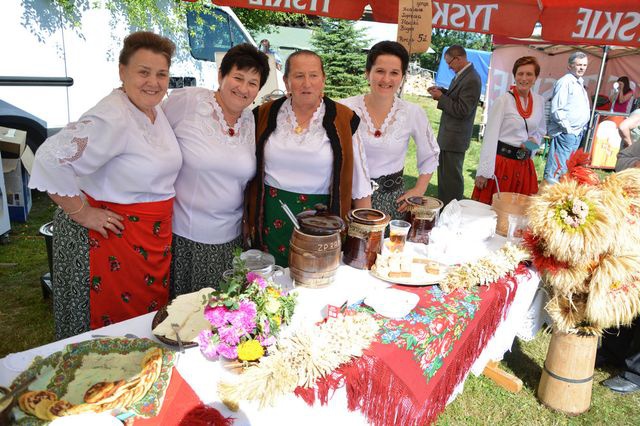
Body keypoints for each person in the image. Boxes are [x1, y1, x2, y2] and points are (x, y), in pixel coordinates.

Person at [28, 32, 182, 338]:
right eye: (143, 72)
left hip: (149, 238)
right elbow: (48, 157)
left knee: (144, 319)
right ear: (122, 71)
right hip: (116, 239)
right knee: (118, 327)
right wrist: (83, 213)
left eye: (161, 74)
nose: (153, 82)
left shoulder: (151, 109)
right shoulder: (113, 115)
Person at [246, 50, 372, 266]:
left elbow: (360, 185)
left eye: (313, 75)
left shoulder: (344, 120)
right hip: (270, 218)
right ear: (286, 81)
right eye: (298, 76)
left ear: (323, 79)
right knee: (270, 290)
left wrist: (365, 241)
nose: (307, 83)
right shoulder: (263, 115)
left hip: (322, 223)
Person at [162, 44, 270, 297]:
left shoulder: (250, 119)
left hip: (230, 241)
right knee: (184, 316)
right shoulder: (188, 101)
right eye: (238, 77)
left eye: (253, 83)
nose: (243, 88)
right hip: (185, 238)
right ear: (221, 75)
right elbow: (149, 130)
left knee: (219, 315)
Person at [341, 41, 439, 221]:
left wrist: (419, 189)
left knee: (386, 248)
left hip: (391, 201)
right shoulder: (345, 108)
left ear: (402, 77)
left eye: (394, 73)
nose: (386, 79)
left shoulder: (412, 112)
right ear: (367, 73)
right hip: (347, 199)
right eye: (379, 71)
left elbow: (430, 153)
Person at [472, 56, 546, 204]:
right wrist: (484, 172)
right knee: (495, 211)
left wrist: (532, 144)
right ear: (515, 76)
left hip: (524, 166)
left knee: (518, 212)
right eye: (520, 74)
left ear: (536, 77)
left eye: (529, 74)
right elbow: (490, 137)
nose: (524, 78)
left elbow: (541, 131)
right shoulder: (503, 101)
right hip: (502, 166)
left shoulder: (539, 101)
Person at [427, 45, 482, 206]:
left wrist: (440, 98)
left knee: (451, 181)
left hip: (455, 139)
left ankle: (452, 211)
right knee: (445, 179)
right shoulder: (463, 75)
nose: (449, 66)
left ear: (458, 58)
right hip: (450, 137)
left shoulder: (472, 78)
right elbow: (457, 98)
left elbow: (462, 110)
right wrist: (442, 91)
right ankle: (445, 209)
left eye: (449, 62)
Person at [542, 52, 590, 184]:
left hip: (576, 133)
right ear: (570, 66)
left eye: (584, 65)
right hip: (566, 133)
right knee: (557, 169)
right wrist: (567, 129)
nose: (582, 68)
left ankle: (558, 195)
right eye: (579, 65)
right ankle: (548, 194)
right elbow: (557, 109)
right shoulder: (565, 82)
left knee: (565, 169)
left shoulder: (578, 82)